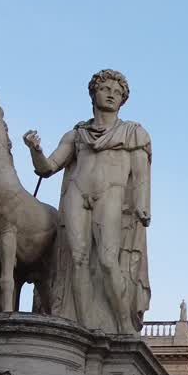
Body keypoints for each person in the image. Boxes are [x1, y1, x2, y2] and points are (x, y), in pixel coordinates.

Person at [24, 70, 151, 334]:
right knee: (77, 259)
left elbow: (140, 174)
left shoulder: (133, 133)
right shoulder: (77, 134)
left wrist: (142, 204)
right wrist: (35, 150)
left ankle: (124, 325)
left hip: (111, 194)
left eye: (117, 93)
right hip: (77, 193)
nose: (111, 95)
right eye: (106, 89)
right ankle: (81, 327)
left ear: (123, 100)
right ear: (93, 93)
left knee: (107, 259)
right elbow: (47, 168)